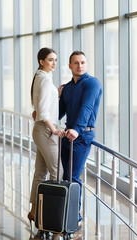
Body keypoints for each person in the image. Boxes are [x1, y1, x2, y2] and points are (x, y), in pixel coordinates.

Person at [59, 50, 103, 228]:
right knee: (66, 175)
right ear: (70, 66)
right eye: (76, 63)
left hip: (82, 134)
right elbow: (60, 111)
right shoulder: (68, 87)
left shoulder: (92, 83)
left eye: (83, 62)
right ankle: (66, 214)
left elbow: (87, 107)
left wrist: (76, 129)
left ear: (87, 64)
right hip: (68, 134)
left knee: (73, 176)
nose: (80, 66)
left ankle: (74, 219)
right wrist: (41, 113)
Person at [27, 48, 65, 236]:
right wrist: (54, 130)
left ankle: (35, 212)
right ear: (41, 61)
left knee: (41, 173)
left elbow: (41, 106)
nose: (54, 63)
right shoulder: (44, 79)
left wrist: (56, 94)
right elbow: (41, 111)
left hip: (41, 129)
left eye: (55, 60)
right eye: (51, 60)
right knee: (58, 172)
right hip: (45, 130)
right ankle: (49, 216)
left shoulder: (41, 77)